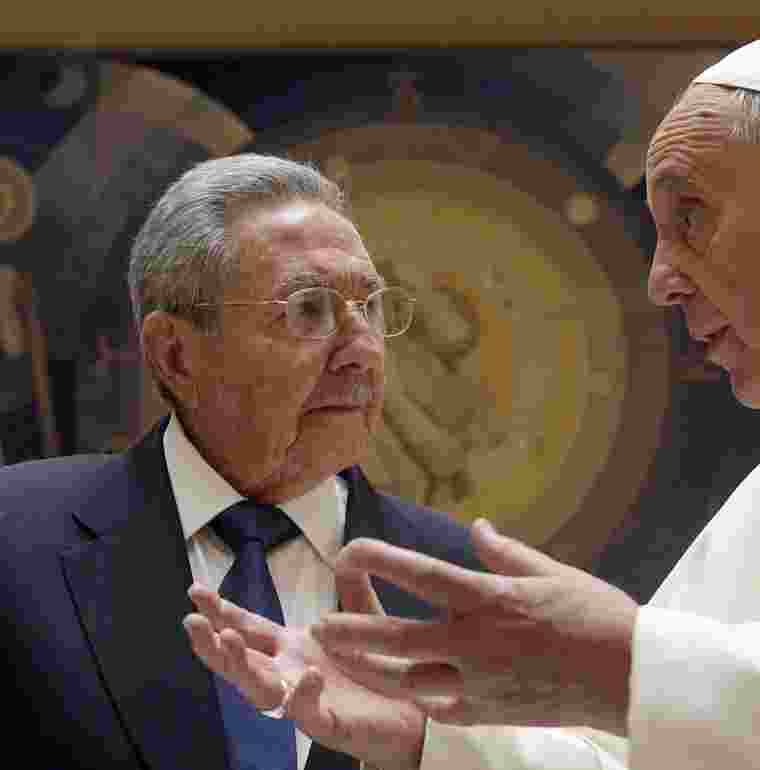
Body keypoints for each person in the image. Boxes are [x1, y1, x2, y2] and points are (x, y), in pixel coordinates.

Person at [187, 28, 760, 769]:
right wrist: (434, 741)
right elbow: (639, 754)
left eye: (689, 216)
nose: (660, 280)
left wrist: (633, 667)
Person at [0, 153, 483, 770]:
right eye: (310, 310)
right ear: (175, 354)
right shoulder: (16, 541)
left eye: (370, 306)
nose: (362, 349)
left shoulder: (466, 586)